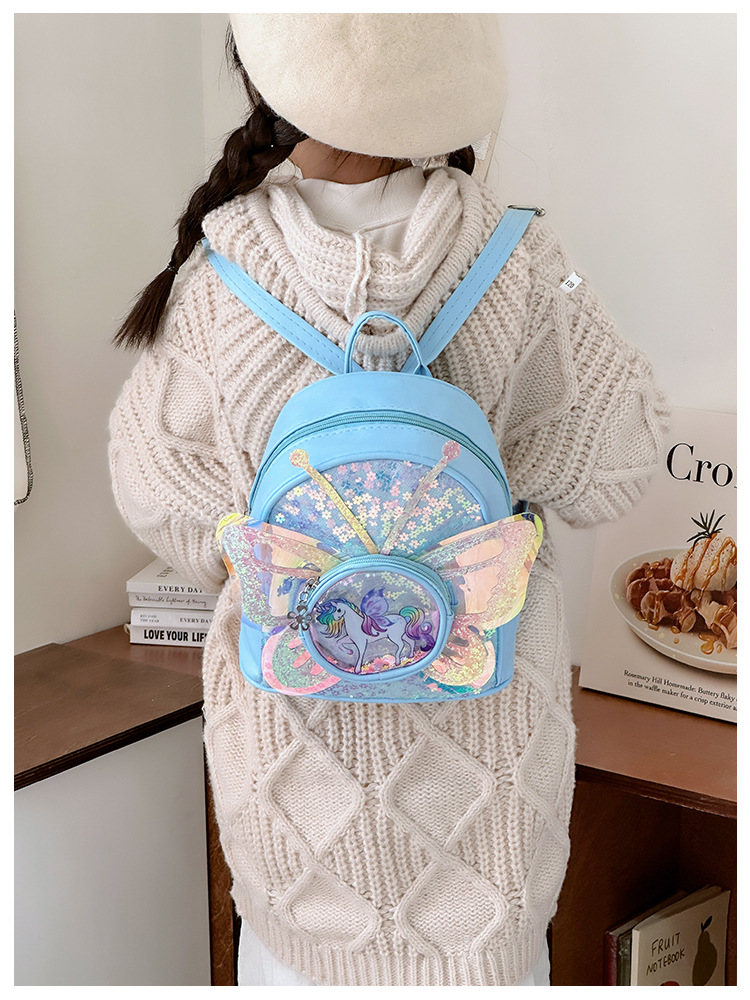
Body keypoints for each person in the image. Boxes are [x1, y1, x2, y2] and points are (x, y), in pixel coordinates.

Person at [109, 14, 668, 987]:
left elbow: (152, 487)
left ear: (265, 70)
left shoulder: (220, 271)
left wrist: (281, 547)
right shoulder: (521, 256)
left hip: (296, 810)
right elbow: (619, 451)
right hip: (487, 812)